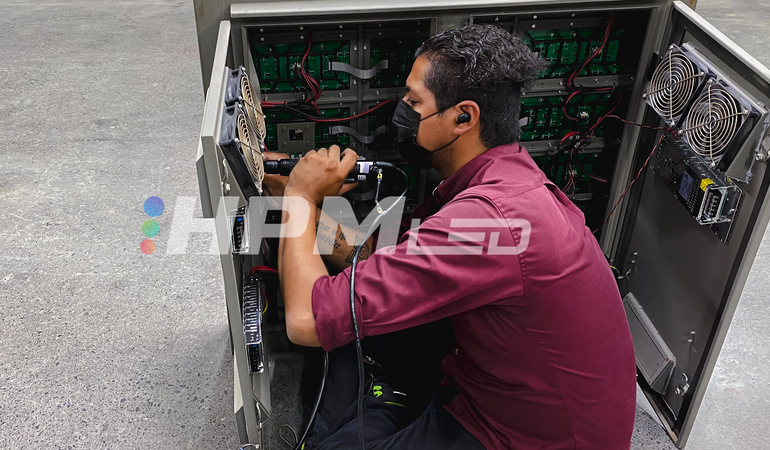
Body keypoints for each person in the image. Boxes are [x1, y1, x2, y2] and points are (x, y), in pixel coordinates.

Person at [270, 24, 636, 449]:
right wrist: (306, 204)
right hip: (495, 387)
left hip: (521, 437)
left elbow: (304, 320)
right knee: (362, 335)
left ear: (464, 116)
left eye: (413, 101)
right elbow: (381, 257)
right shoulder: (504, 179)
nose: (402, 110)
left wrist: (299, 194)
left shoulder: (490, 219)